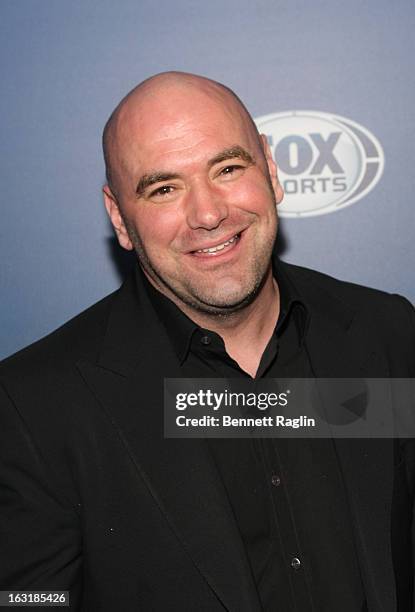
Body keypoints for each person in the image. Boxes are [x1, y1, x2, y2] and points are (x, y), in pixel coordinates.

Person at [0, 71, 414, 612]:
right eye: (164, 188)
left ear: (269, 168)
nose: (209, 214)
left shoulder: (387, 332)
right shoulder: (37, 405)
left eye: (227, 168)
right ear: (118, 217)